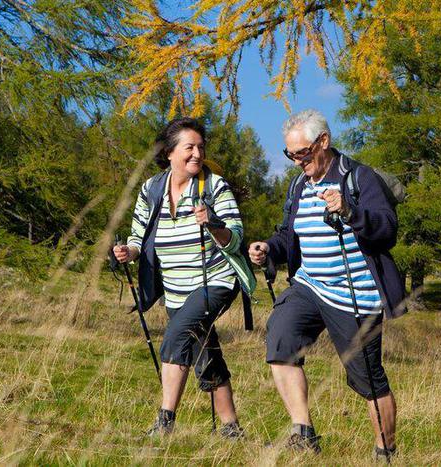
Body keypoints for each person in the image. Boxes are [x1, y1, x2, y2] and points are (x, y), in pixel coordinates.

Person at [249, 109, 405, 461]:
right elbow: (288, 234)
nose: (296, 161)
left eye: (302, 153)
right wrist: (268, 248)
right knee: (280, 337)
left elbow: (387, 230)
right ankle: (303, 433)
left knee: (366, 377)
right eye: (290, 155)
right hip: (309, 286)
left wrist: (350, 212)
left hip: (354, 293)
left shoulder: (358, 178)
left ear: (324, 142)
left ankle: (385, 452)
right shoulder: (299, 185)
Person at [113, 117, 254, 438]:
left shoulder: (214, 187)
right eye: (189, 147)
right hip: (175, 291)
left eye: (200, 148)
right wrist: (127, 252)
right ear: (169, 152)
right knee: (206, 351)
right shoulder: (152, 189)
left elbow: (235, 238)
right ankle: (231, 427)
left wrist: (213, 224)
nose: (197, 154)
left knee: (176, 336)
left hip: (216, 282)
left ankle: (165, 423)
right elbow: (138, 237)